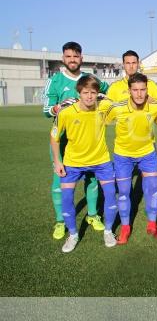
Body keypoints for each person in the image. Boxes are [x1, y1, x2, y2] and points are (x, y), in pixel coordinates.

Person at [42, 41, 109, 240]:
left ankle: (93, 215)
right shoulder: (55, 81)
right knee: (59, 181)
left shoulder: (91, 78)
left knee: (92, 179)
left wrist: (102, 97)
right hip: (62, 141)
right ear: (63, 58)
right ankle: (61, 221)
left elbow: (106, 92)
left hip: (89, 141)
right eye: (68, 56)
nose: (72, 60)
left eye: (76, 56)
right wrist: (59, 107)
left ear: (82, 58)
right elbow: (46, 110)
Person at [50, 75, 117, 253]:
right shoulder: (66, 111)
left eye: (93, 92)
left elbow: (120, 106)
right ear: (79, 93)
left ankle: (109, 231)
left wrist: (107, 97)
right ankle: (73, 234)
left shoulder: (103, 107)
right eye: (85, 92)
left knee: (111, 194)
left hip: (101, 161)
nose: (89, 96)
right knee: (66, 198)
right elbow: (54, 137)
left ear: (97, 93)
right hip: (73, 162)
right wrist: (57, 161)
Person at [105, 73, 157, 244]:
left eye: (142, 89)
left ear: (147, 90)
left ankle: (152, 224)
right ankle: (125, 228)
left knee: (153, 188)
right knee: (123, 192)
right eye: (135, 90)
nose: (139, 94)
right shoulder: (117, 108)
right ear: (129, 91)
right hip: (123, 155)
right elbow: (102, 122)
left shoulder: (154, 107)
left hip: (147, 153)